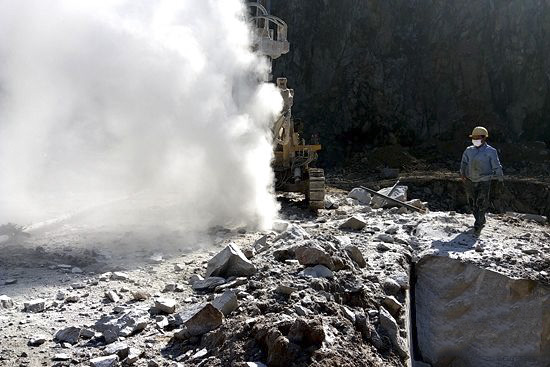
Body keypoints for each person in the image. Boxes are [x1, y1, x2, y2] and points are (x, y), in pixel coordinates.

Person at [460, 126, 504, 233]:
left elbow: (497, 166)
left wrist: (500, 179)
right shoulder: (469, 150)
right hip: (470, 179)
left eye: (477, 137)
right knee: (471, 203)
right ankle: (480, 219)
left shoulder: (491, 151)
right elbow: (464, 162)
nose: (475, 139)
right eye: (473, 137)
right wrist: (462, 173)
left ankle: (478, 224)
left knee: (481, 202)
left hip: (484, 180)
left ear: (484, 138)